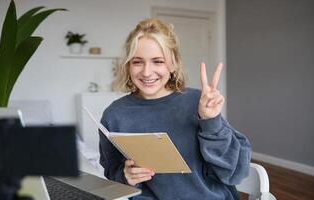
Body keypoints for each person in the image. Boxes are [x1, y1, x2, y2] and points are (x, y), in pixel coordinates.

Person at [99, 18, 251, 200]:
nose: (147, 72)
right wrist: (126, 176)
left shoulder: (198, 102)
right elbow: (112, 171)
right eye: (137, 62)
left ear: (173, 64)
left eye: (158, 61)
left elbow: (235, 171)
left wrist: (211, 122)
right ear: (128, 65)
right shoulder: (114, 115)